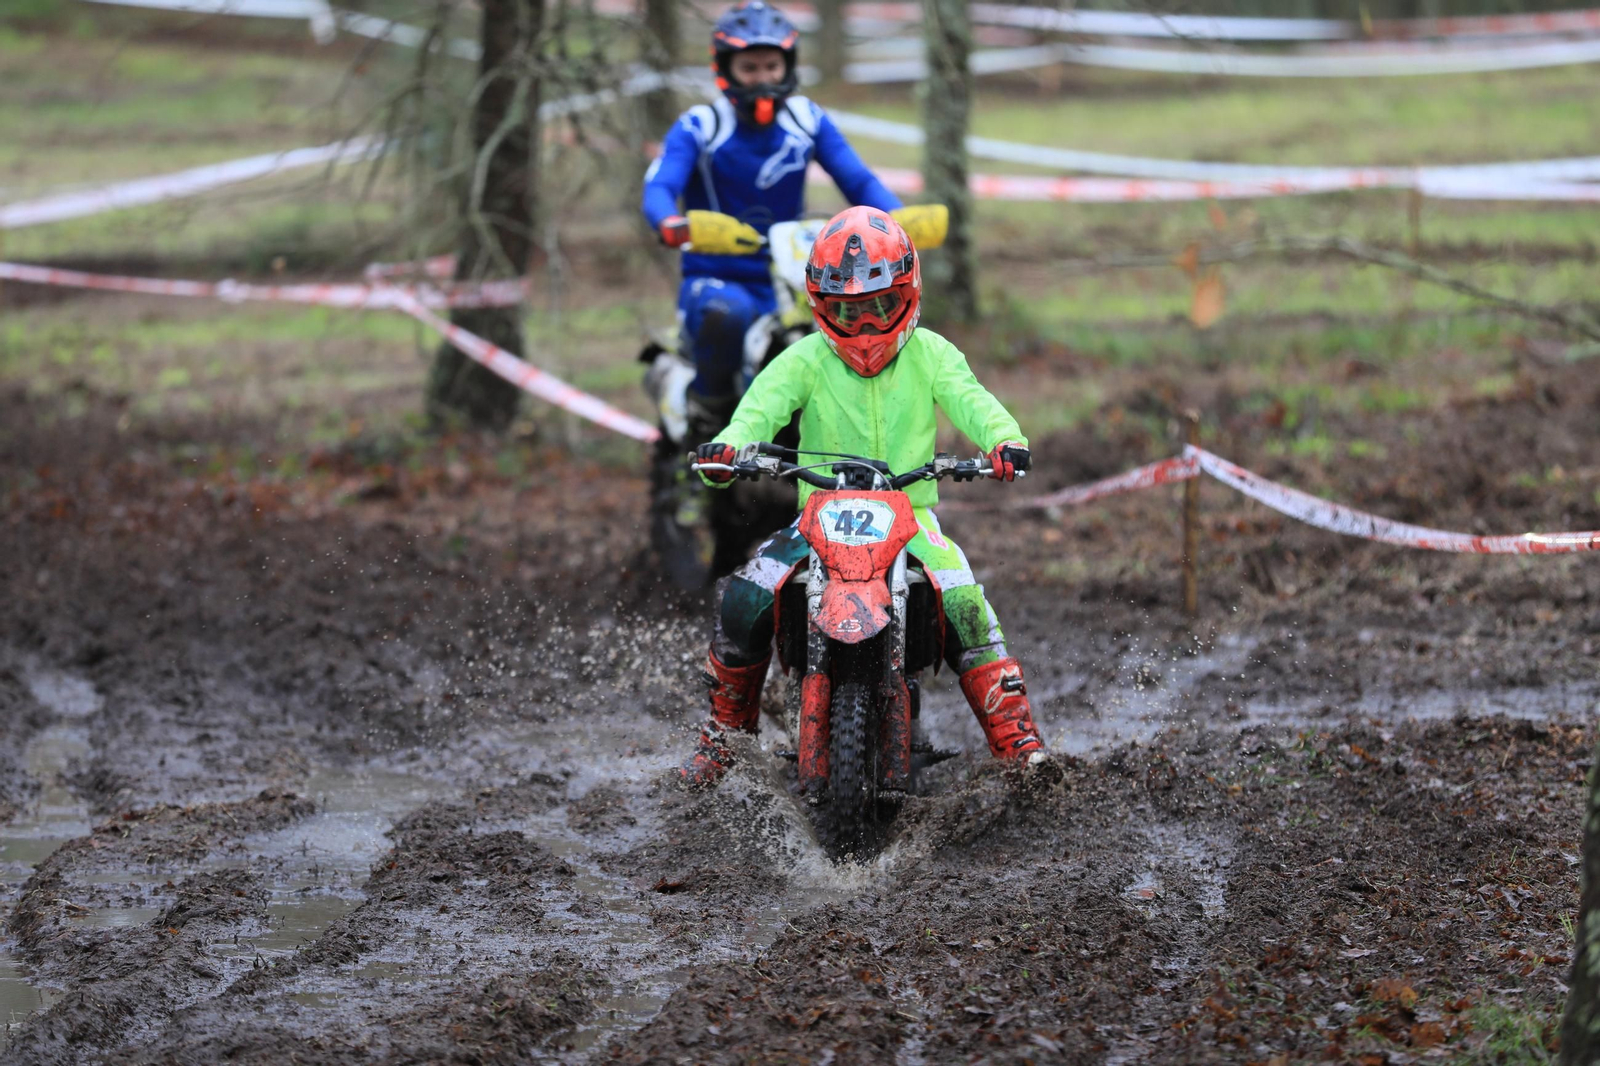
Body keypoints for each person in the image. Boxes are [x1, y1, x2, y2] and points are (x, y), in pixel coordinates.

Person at [679, 205, 1047, 789]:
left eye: (879, 306)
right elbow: (759, 408)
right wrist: (728, 450)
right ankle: (722, 740)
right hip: (816, 517)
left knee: (966, 605)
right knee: (745, 597)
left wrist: (1004, 440)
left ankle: (1020, 750)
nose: (867, 326)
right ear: (821, 307)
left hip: (912, 516)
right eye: (849, 312)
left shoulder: (932, 354)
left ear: (907, 292)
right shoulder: (804, 358)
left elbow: (971, 398)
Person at [641, 0, 905, 439]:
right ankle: (707, 412)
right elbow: (660, 185)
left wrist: (895, 220)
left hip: (793, 276)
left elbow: (858, 179)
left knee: (855, 320)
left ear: (789, 66)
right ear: (726, 69)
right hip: (717, 276)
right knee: (727, 313)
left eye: (771, 66)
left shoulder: (806, 119)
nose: (763, 78)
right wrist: (670, 221)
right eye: (750, 67)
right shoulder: (701, 125)